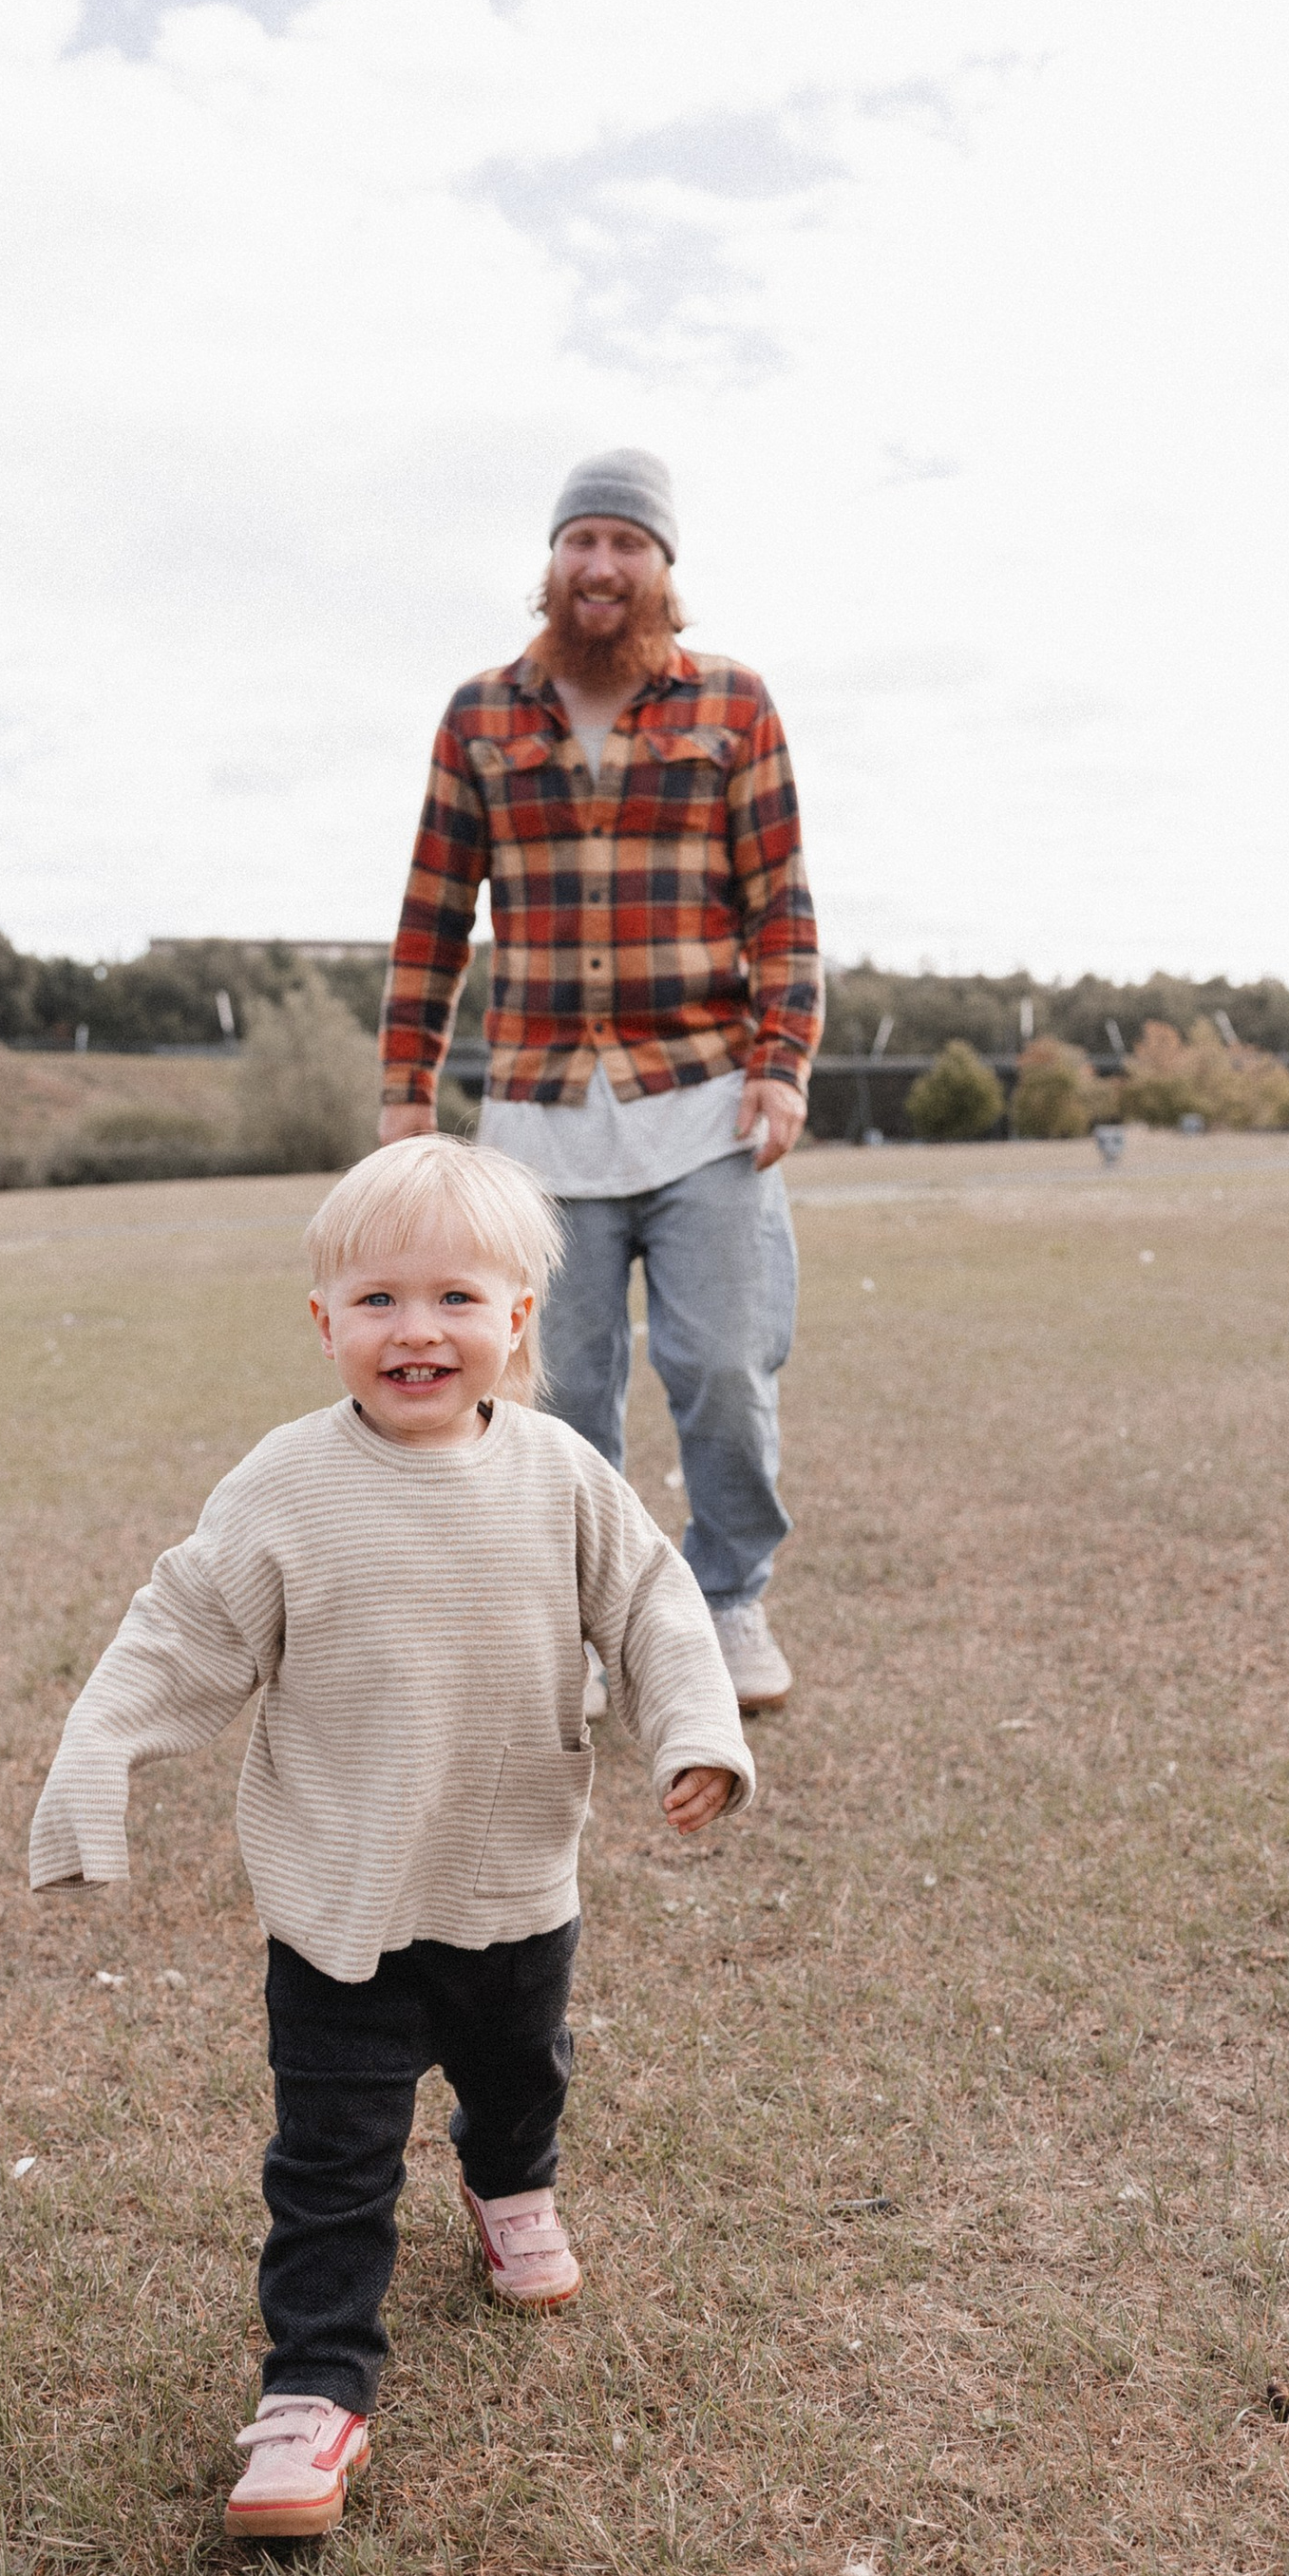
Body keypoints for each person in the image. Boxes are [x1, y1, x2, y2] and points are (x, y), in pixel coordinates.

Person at [28, 1133, 750, 2540]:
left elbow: (657, 1609)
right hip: (341, 1907)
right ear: (324, 1323)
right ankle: (314, 2390)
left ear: (519, 1318)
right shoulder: (286, 1487)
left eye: (456, 1299)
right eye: (377, 1301)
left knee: (521, 2075)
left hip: (512, 1886)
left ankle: (511, 2187)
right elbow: (183, 1625)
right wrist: (95, 1753)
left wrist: (694, 1731)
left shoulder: (563, 1476)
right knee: (330, 2161)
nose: (416, 1330)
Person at [378, 448, 822, 1709]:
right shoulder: (481, 717)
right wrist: (407, 1086)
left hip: (707, 1105)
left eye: (629, 544)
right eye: (582, 542)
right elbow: (432, 914)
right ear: (553, 563)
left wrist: (782, 1068)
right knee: (556, 1395)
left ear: (664, 569)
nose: (602, 566)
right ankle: (577, 1624)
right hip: (536, 1118)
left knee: (726, 1372)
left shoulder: (734, 707)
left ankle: (730, 1602)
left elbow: (780, 908)